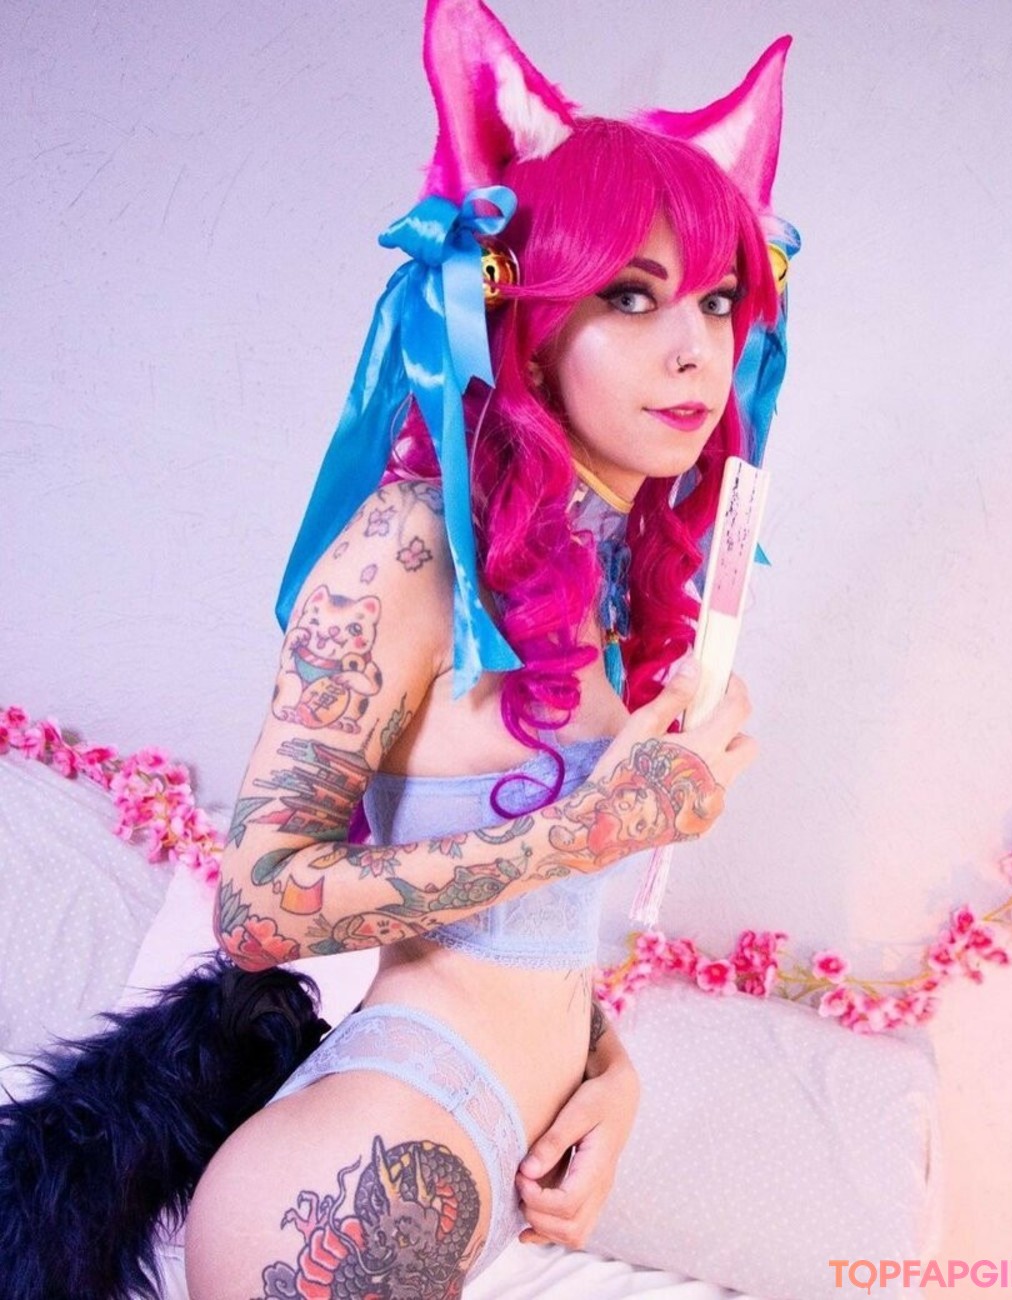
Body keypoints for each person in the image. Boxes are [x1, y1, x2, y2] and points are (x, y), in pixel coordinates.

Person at [184, 2, 791, 1296]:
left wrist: (607, 1075)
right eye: (630, 296)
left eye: (718, 299)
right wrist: (596, 826)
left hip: (499, 1146)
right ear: (522, 316)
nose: (695, 346)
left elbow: (530, 931)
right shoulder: (413, 550)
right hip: (347, 1184)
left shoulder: (613, 569)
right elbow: (257, 902)